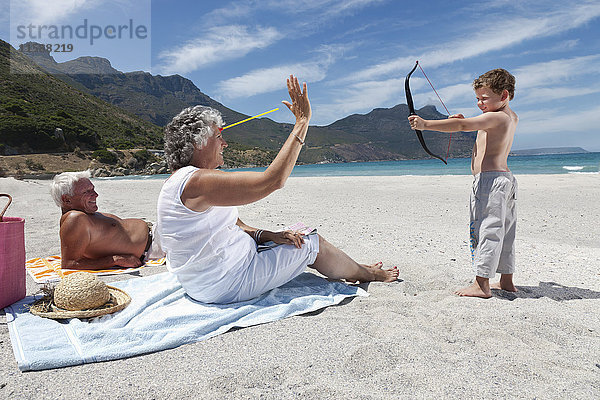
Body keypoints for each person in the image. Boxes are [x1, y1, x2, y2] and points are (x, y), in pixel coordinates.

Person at [157, 75, 399, 304]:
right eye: (218, 136)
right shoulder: (197, 181)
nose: (225, 142)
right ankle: (367, 274)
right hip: (225, 283)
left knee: (295, 233)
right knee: (311, 242)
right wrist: (302, 123)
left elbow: (234, 225)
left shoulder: (179, 182)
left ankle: (355, 268)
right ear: (198, 143)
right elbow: (272, 181)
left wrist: (269, 235)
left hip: (203, 282)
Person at [408, 68, 518, 298]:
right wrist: (463, 120)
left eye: (484, 98)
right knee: (504, 231)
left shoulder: (495, 117)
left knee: (486, 230)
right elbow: (472, 126)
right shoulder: (509, 116)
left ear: (504, 95)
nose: (480, 103)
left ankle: (482, 284)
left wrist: (424, 124)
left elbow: (462, 127)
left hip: (490, 181)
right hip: (506, 179)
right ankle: (506, 280)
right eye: (477, 99)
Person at [51, 171, 164, 270]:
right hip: (155, 244)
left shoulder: (83, 216)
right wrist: (114, 260)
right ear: (66, 199)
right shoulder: (74, 219)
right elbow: (70, 263)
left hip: (156, 234)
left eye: (93, 189)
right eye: (86, 192)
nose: (96, 195)